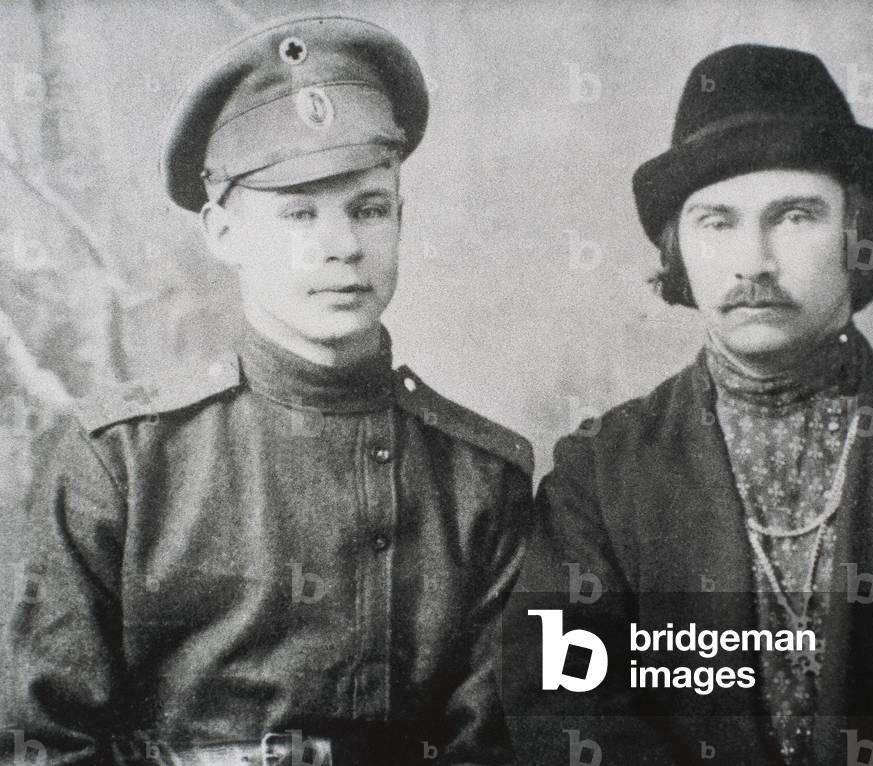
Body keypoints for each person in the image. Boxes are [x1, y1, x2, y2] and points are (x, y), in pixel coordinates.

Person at [2, 15, 532, 766]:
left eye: (369, 208)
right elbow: (41, 745)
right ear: (223, 234)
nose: (342, 245)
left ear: (400, 219)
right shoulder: (120, 464)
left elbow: (493, 748)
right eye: (298, 213)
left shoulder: (481, 480)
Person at [511, 44, 873, 765]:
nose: (753, 260)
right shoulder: (597, 477)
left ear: (858, 237)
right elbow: (565, 704)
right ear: (679, 250)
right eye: (716, 221)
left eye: (794, 216)